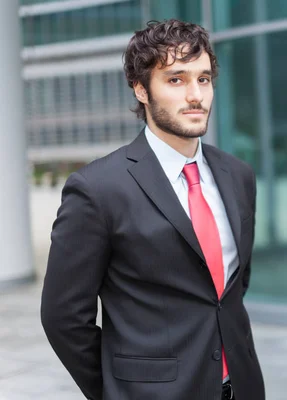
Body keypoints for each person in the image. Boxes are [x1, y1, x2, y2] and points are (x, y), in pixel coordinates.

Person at [40, 19, 264, 400]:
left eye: (204, 79)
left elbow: (229, 292)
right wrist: (118, 391)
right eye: (176, 80)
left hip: (241, 387)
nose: (196, 95)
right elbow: (63, 317)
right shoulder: (97, 189)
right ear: (141, 89)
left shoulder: (237, 175)